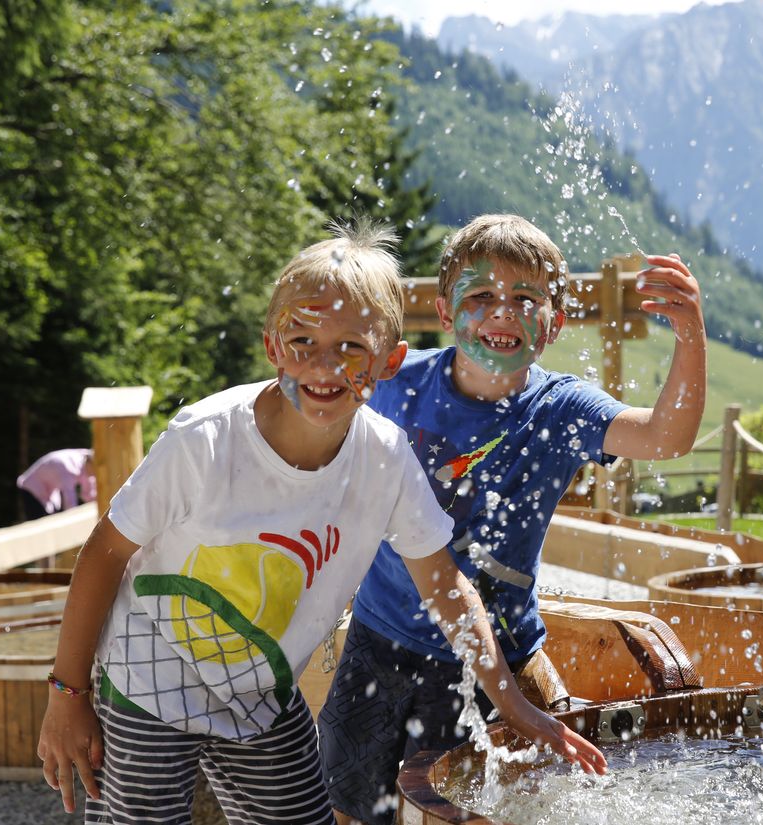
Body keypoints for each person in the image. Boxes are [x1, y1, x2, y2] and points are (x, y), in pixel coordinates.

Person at [35, 220, 606, 824]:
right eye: (302, 341)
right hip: (149, 673)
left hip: (261, 689)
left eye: (351, 348)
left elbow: (445, 586)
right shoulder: (206, 440)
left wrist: (512, 704)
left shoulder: (384, 459)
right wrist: (67, 695)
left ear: (389, 361)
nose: (324, 365)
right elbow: (105, 551)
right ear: (272, 347)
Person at [319, 214, 706, 823]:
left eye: (525, 299)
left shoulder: (559, 410)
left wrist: (689, 336)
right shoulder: (398, 383)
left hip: (503, 655)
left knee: (483, 810)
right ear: (445, 314)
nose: (502, 312)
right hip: (378, 641)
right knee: (351, 806)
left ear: (551, 322)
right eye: (479, 297)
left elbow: (666, 436)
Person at [17, 448, 97, 519]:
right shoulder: (68, 466)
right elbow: (70, 502)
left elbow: (89, 495)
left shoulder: (88, 463)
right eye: (94, 471)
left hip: (50, 491)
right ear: (90, 463)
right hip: (31, 488)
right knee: (39, 523)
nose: (95, 475)